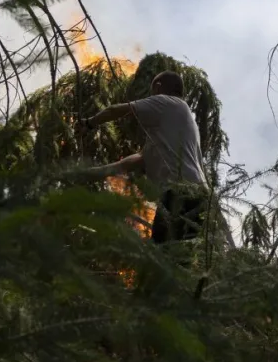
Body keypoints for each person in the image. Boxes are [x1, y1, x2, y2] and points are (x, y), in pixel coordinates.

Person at [79, 70, 209, 245]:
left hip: (179, 192)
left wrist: (88, 123)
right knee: (178, 257)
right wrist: (93, 173)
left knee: (161, 255)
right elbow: (135, 160)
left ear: (158, 87)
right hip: (198, 198)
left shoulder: (166, 102)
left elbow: (116, 110)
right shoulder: (176, 126)